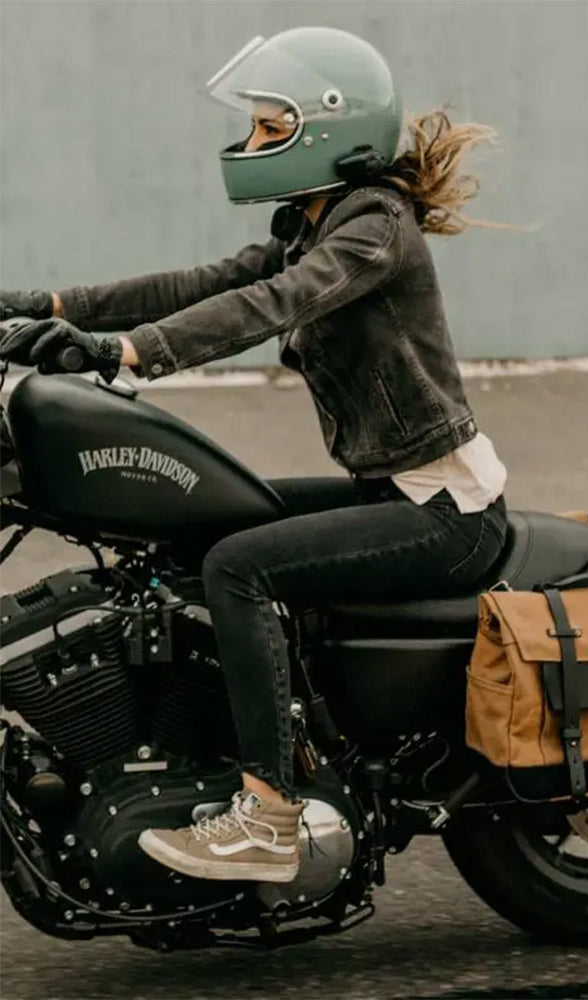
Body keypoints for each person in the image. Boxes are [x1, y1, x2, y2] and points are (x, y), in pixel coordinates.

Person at [0, 27, 509, 884]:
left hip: (444, 511)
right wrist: (41, 305)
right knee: (205, 529)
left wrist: (125, 355)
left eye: (271, 127)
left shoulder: (373, 229)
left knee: (240, 566)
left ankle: (269, 816)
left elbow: (271, 305)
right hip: (392, 488)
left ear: (327, 130)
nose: (252, 143)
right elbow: (195, 286)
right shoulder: (317, 222)